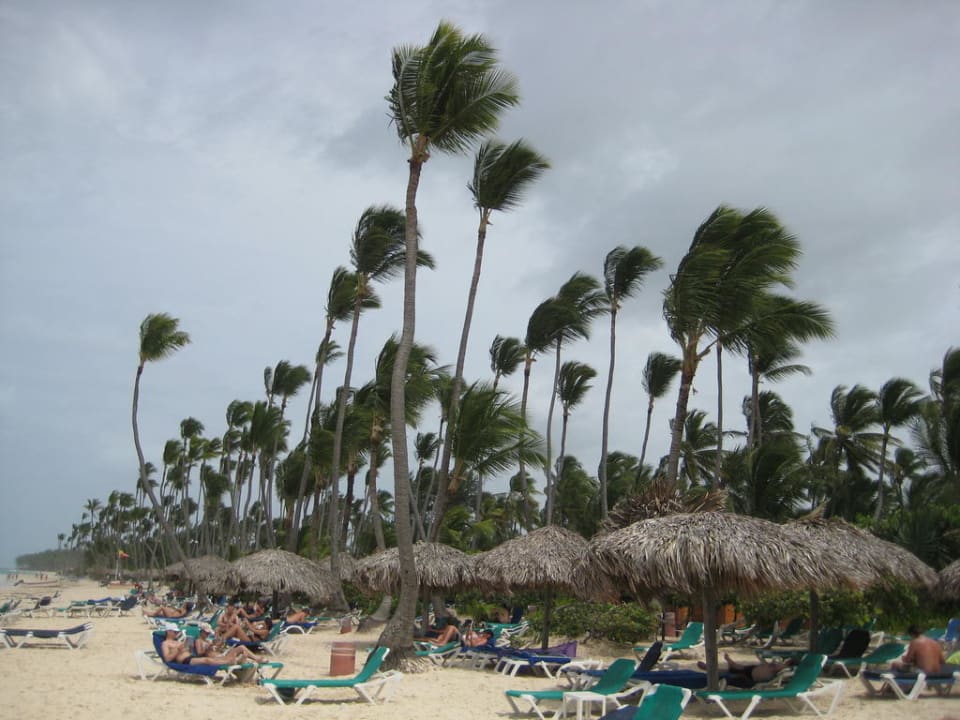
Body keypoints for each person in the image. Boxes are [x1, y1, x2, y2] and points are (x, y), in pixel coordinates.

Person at [160, 624, 256, 666]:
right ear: (168, 632)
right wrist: (178, 649)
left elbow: (190, 650)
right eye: (175, 632)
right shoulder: (165, 643)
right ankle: (229, 662)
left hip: (191, 656)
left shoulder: (178, 641)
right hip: (185, 661)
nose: (176, 633)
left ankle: (234, 660)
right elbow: (167, 659)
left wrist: (187, 646)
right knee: (207, 660)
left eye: (177, 632)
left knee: (213, 659)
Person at [699, 654, 795, 687]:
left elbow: (774, 668)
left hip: (750, 678)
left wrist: (774, 664)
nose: (786, 659)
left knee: (730, 672)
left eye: (788, 659)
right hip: (751, 672)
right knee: (733, 670)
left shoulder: (784, 667)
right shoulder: (784, 666)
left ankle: (710, 669)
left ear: (789, 662)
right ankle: (711, 668)